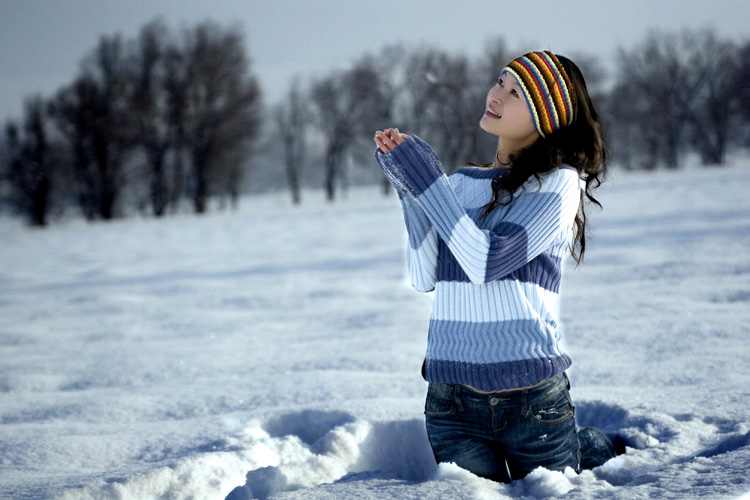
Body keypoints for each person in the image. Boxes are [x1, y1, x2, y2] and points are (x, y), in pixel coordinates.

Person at [373, 50, 616, 483]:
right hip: (451, 400)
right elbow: (424, 275)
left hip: (532, 402)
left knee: (554, 492)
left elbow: (485, 260)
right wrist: (410, 190)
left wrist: (428, 182)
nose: (496, 95)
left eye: (515, 92)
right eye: (500, 81)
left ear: (547, 119)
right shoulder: (462, 184)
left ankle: (597, 446)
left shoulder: (558, 185)